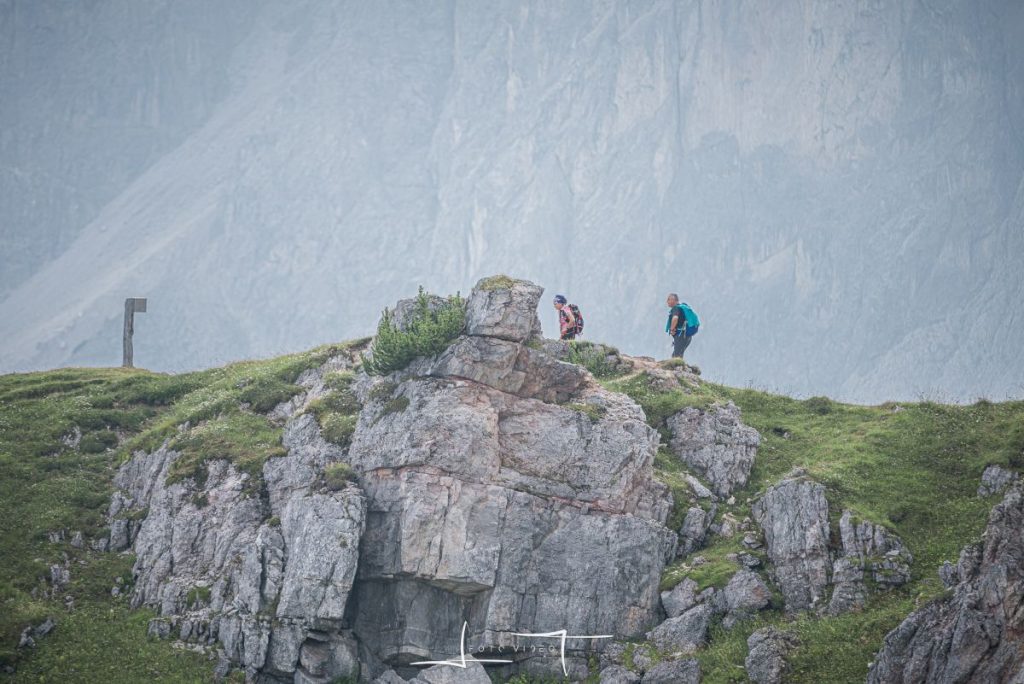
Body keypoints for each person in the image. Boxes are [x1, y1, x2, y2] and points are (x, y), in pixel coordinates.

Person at [666, 293, 692, 359]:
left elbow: (675, 318)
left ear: (675, 301)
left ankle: (678, 369)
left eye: (669, 299)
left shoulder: (676, 308)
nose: (667, 301)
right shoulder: (681, 309)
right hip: (687, 336)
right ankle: (680, 368)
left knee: (676, 356)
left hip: (681, 336)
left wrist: (672, 329)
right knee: (678, 355)